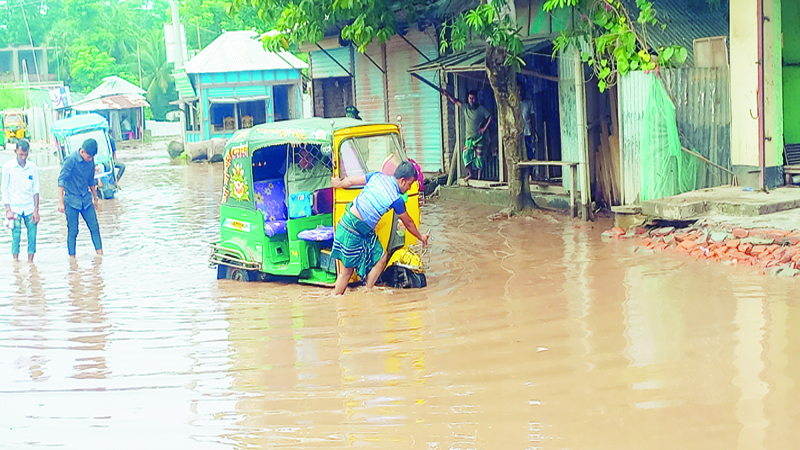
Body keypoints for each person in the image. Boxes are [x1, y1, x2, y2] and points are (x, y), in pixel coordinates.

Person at [330, 161, 429, 295]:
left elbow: (352, 181)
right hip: (354, 231)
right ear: (402, 180)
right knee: (346, 273)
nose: (409, 188)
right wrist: (421, 237)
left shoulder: (377, 176)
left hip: (347, 223)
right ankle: (338, 303)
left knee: (381, 258)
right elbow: (409, 223)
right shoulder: (396, 199)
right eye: (410, 184)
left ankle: (367, 291)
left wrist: (338, 184)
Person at [58, 138, 103, 258]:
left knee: (94, 227)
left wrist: (95, 198)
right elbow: (61, 180)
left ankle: (100, 254)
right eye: (89, 157)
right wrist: (60, 202)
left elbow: (91, 180)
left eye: (92, 157)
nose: (90, 159)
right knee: (73, 231)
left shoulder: (91, 161)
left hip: (86, 200)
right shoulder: (70, 160)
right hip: (71, 200)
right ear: (82, 152)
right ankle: (72, 259)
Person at [2, 139, 39, 262]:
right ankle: (16, 263)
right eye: (21, 154)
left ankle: (30, 262)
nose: (23, 157)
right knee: (16, 236)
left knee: (32, 236)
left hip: (29, 206)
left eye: (26, 154)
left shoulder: (32, 167)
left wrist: (36, 210)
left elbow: (36, 189)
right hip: (15, 207)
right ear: (15, 151)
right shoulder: (8, 167)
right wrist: (8, 210)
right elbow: (4, 190)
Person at [446, 90, 492, 181]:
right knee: (465, 155)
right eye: (470, 98)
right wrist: (448, 94)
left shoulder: (481, 109)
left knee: (479, 157)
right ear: (468, 99)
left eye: (473, 98)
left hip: (479, 138)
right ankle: (470, 174)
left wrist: (484, 128)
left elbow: (490, 117)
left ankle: (479, 178)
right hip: (469, 139)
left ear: (476, 99)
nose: (471, 100)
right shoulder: (465, 107)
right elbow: (455, 101)